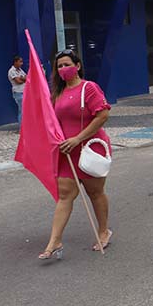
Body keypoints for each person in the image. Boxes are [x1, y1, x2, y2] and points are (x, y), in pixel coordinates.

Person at [39, 49, 113, 261]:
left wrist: (78, 138)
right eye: (59, 66)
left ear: (78, 66)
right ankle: (54, 241)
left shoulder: (89, 88)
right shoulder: (57, 94)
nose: (63, 69)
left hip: (90, 149)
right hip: (67, 152)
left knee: (95, 193)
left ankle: (104, 231)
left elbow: (102, 115)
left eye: (67, 64)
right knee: (65, 196)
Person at [8, 56, 26, 127]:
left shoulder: (20, 70)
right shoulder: (11, 71)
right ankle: (22, 127)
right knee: (22, 110)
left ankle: (25, 126)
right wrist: (23, 79)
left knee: (25, 109)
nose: (22, 63)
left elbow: (27, 77)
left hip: (24, 92)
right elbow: (18, 81)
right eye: (20, 62)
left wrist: (22, 78)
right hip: (18, 93)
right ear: (15, 62)